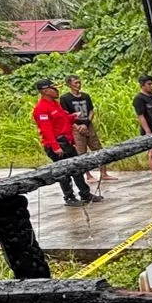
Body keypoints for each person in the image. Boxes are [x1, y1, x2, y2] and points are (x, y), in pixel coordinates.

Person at [32, 79, 99, 207]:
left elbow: (61, 119)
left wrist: (73, 117)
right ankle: (69, 197)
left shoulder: (55, 104)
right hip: (57, 144)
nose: (57, 90)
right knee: (64, 173)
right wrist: (55, 147)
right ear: (45, 91)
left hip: (66, 142)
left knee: (77, 168)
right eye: (54, 88)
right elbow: (46, 130)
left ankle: (85, 194)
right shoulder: (41, 109)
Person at [60, 75, 116, 184]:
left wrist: (86, 124)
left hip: (88, 125)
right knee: (82, 152)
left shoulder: (85, 96)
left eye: (79, 82)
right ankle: (88, 175)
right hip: (76, 127)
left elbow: (91, 111)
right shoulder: (65, 98)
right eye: (75, 83)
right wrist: (77, 127)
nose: (78, 85)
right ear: (69, 85)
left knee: (98, 148)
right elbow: (65, 115)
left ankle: (104, 173)